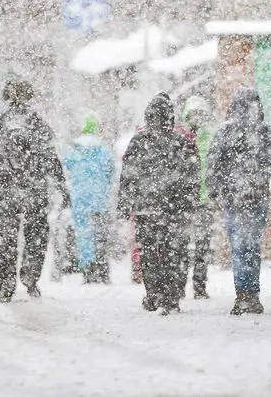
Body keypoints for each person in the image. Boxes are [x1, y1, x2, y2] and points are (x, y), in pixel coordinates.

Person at [0, 79, 70, 303]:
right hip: (34, 190)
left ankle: (6, 281)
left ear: (6, 97)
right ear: (29, 97)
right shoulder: (39, 125)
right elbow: (51, 159)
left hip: (5, 191)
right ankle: (30, 276)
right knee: (36, 236)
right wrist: (61, 186)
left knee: (5, 238)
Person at [207, 88, 271, 316]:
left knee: (241, 247)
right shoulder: (265, 132)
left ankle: (244, 293)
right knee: (251, 246)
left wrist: (213, 190)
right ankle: (250, 293)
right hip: (254, 197)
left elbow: (213, 163)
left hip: (236, 198)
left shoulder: (226, 132)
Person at [117, 92, 199, 315]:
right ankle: (172, 296)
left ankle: (154, 295)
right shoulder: (180, 142)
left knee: (150, 255)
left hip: (146, 209)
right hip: (174, 210)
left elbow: (128, 176)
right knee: (174, 252)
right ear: (170, 117)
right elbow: (191, 175)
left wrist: (124, 204)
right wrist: (189, 202)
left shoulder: (138, 141)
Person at [64, 114, 115, 283]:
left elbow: (67, 170)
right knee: (100, 234)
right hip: (99, 198)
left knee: (83, 234)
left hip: (79, 199)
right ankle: (102, 269)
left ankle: (87, 268)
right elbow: (110, 172)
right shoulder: (103, 149)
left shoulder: (74, 150)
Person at [180, 96, 214, 299]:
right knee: (182, 245)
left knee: (202, 245)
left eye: (201, 113)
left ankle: (200, 286)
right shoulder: (180, 137)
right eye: (194, 113)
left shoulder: (210, 137)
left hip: (204, 200)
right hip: (184, 200)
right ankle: (181, 284)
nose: (197, 118)